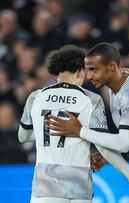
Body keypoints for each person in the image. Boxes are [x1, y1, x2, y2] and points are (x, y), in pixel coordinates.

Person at [45, 42, 129, 202]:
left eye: (94, 69)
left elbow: (123, 143)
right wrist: (105, 156)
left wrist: (80, 131)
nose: (89, 76)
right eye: (87, 70)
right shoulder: (112, 91)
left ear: (111, 66)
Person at [17, 45, 110, 203]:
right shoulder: (92, 100)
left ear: (56, 72)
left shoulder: (35, 97)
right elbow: (102, 142)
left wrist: (46, 129)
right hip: (79, 184)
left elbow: (23, 136)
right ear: (81, 71)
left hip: (46, 185)